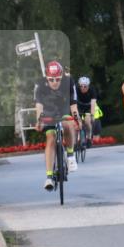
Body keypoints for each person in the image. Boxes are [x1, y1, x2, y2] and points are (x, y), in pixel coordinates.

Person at [34, 60, 78, 190]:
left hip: (63, 109)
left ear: (62, 76)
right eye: (51, 79)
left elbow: (73, 103)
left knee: (67, 124)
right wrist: (39, 120)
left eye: (57, 79)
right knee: (51, 138)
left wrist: (77, 118)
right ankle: (49, 177)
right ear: (46, 77)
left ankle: (70, 155)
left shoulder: (69, 81)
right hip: (48, 111)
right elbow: (39, 105)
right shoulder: (40, 84)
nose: (54, 82)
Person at [75, 76, 99, 146]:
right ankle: (77, 139)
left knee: (87, 121)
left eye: (85, 86)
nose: (83, 88)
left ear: (88, 86)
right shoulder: (76, 89)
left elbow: (93, 103)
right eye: (81, 86)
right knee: (77, 121)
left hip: (88, 107)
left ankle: (88, 137)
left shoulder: (92, 90)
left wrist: (92, 115)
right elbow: (73, 102)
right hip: (78, 106)